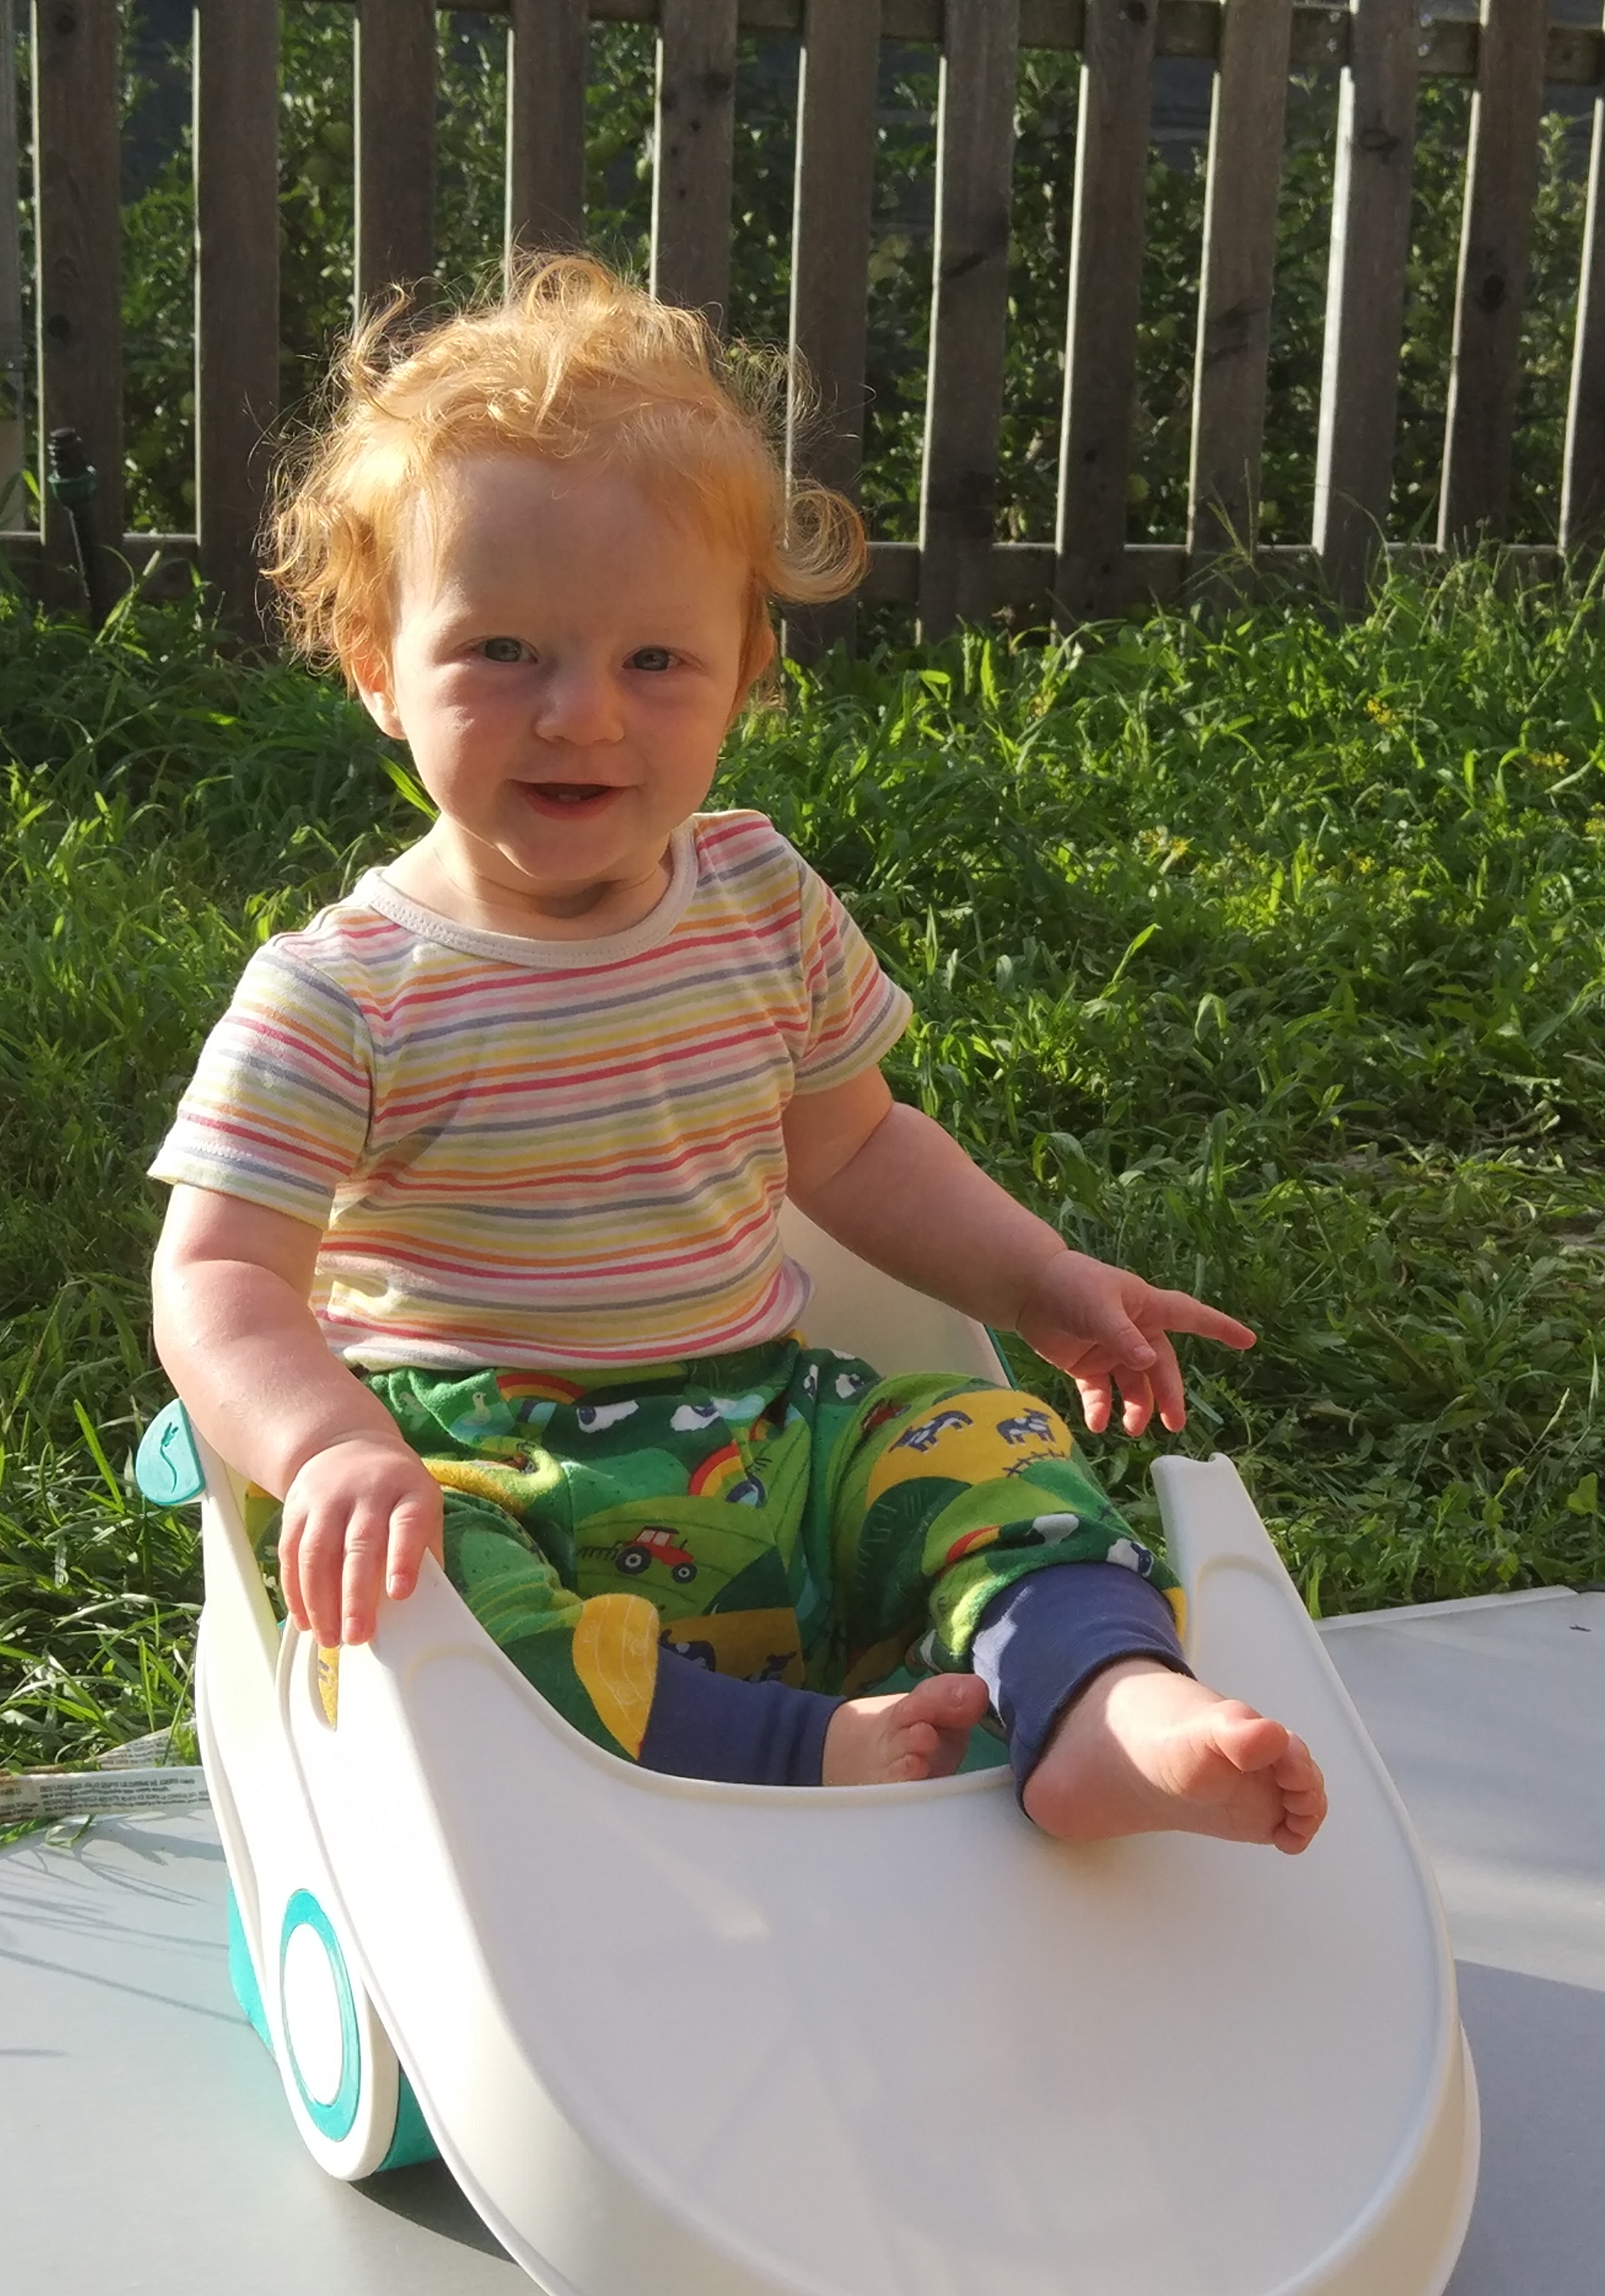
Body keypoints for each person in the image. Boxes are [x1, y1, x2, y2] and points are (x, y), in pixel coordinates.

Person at [149, 257, 1326, 1854]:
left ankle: (1104, 1704)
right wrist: (332, 1448)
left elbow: (855, 1146)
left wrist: (1039, 1281)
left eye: (655, 661)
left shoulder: (759, 901)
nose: (581, 715)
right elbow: (219, 1275)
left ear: (744, 677)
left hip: (771, 1435)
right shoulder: (342, 993)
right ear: (375, 666)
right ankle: (785, 1753)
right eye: (503, 651)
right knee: (426, 1609)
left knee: (992, 1452)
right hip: (493, 1474)